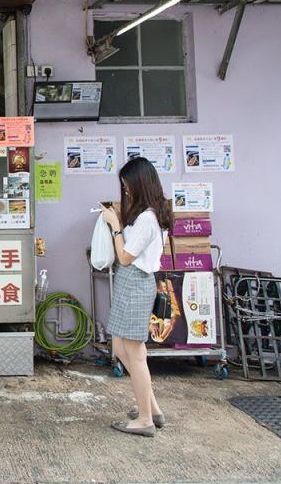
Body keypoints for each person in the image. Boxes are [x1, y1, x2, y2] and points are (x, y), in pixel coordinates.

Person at [99, 156, 172, 438]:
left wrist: (115, 225)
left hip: (135, 283)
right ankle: (152, 408)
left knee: (136, 354)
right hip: (132, 284)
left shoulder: (148, 219)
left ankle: (144, 420)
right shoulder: (150, 214)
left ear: (139, 183)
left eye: (127, 185)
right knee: (120, 349)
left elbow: (126, 257)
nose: (125, 190)